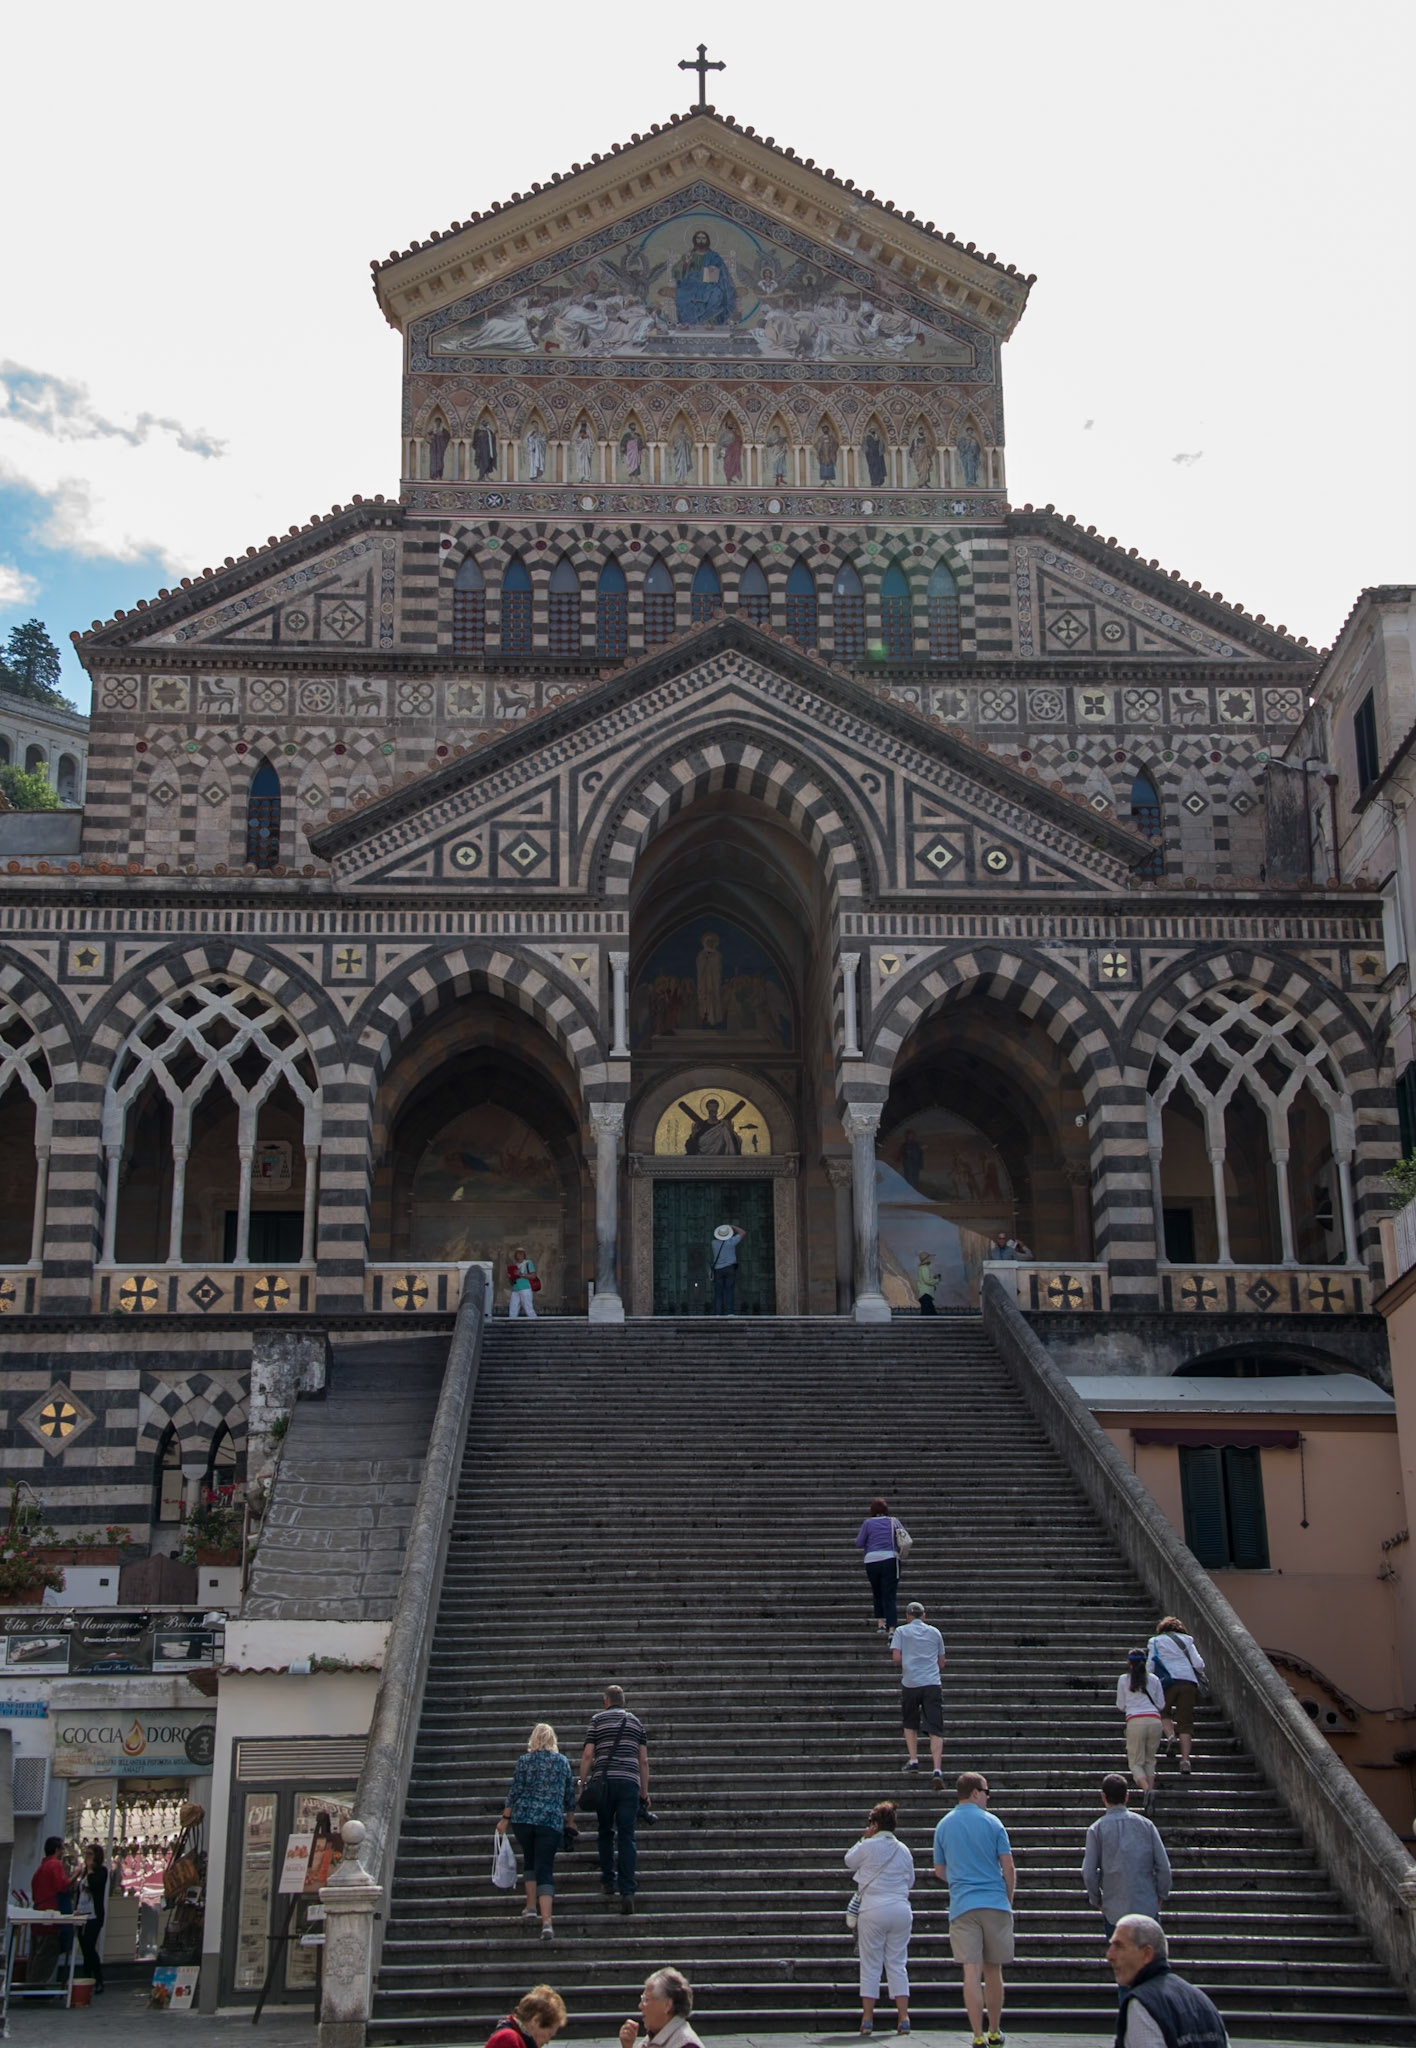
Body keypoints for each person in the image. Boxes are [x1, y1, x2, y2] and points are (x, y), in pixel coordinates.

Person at [932, 1773, 1015, 2048]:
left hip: (963, 1905)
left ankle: (977, 2035)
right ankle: (994, 2031)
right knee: (994, 1971)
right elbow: (1008, 1867)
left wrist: (960, 1879)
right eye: (987, 1792)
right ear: (976, 1793)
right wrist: (1007, 1899)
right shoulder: (993, 1822)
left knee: (971, 1971)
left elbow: (939, 1870)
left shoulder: (944, 1825)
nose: (988, 1797)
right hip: (994, 1901)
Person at [498, 1722, 577, 1941]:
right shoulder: (562, 1762)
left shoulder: (524, 1761)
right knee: (546, 1867)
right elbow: (569, 1795)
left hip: (523, 1820)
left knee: (530, 1859)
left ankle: (531, 1906)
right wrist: (571, 1821)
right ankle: (547, 1922)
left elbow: (515, 1791)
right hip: (550, 1821)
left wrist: (505, 1818)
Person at [845, 1800, 915, 2036]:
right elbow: (910, 1880)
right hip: (900, 1908)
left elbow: (849, 1860)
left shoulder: (868, 1846)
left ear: (875, 1824)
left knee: (871, 1963)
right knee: (897, 1963)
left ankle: (867, 2019)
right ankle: (903, 2017)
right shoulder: (903, 1850)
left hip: (873, 1908)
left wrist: (863, 1838)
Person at [1107, 1914, 1229, 2047]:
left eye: (1119, 1946)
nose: (1109, 1955)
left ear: (1146, 1954)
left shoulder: (1142, 2004)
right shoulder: (1202, 2000)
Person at [579, 1683, 649, 1913]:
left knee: (605, 1831)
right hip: (629, 1783)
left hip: (605, 1783)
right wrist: (644, 1793)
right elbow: (643, 1761)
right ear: (624, 1702)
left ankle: (608, 1880)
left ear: (606, 1701)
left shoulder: (597, 1720)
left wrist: (582, 1782)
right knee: (627, 1836)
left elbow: (588, 1754)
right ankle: (627, 1890)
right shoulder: (636, 1723)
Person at [1082, 1775, 1172, 1935]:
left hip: (1114, 1911)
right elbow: (1164, 1867)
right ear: (1127, 1796)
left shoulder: (1096, 1830)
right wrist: (1161, 1895)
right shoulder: (1146, 1825)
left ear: (1103, 1797)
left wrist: (1097, 1900)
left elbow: (1089, 1873)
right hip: (1146, 1908)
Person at [892, 1600, 946, 1783]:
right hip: (932, 1683)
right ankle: (937, 1769)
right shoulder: (935, 1632)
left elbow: (896, 1658)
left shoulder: (901, 1631)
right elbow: (941, 1663)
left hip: (910, 1683)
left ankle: (914, 1759)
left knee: (910, 1722)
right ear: (924, 1615)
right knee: (935, 1727)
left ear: (908, 1616)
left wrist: (910, 1660)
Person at [1148, 1617, 1206, 1776]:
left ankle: (1171, 1736)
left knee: (1163, 1711)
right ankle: (1185, 1761)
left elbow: (1150, 1666)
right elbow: (1198, 1664)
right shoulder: (1187, 1640)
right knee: (1185, 1723)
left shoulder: (1155, 1641)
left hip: (1167, 1682)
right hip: (1188, 1683)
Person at [1117, 1649, 1168, 1810]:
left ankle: (1147, 1791)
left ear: (1129, 1663)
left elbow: (1120, 1705)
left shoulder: (1124, 1680)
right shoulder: (1154, 1679)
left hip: (1135, 1721)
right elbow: (1161, 1704)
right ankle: (1150, 1793)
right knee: (1150, 1760)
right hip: (1155, 1721)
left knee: (1135, 1762)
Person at [856, 1496, 911, 1632]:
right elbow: (904, 1537)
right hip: (890, 1559)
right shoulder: (893, 1521)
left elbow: (859, 1542)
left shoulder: (867, 1523)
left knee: (877, 1592)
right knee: (890, 1594)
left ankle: (880, 1623)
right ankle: (891, 1628)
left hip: (872, 1560)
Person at [26, 1834, 71, 1989]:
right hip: (51, 1916)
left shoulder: (40, 1869)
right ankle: (36, 1988)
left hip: (38, 1915)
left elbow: (34, 1891)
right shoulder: (55, 1865)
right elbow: (62, 1886)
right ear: (57, 1850)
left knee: (36, 1954)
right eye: (62, 1849)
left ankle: (31, 1986)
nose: (63, 1852)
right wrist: (76, 1875)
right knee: (46, 1955)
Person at [618, 1968, 703, 2048]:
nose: (640, 2006)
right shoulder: (653, 2038)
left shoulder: (686, 2044)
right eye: (642, 1999)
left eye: (646, 1999)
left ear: (667, 2005)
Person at [485, 1983, 568, 2048]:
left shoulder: (518, 2039)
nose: (547, 2042)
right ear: (536, 2021)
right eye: (549, 2034)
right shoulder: (508, 2039)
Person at [75, 1841, 109, 1991]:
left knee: (90, 1946)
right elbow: (80, 1892)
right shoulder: (84, 1873)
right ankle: (86, 1977)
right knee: (84, 1947)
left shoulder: (101, 1871)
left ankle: (98, 1978)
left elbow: (95, 1885)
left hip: (94, 1915)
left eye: (90, 1854)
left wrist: (89, 1870)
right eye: (86, 1854)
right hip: (82, 1913)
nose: (87, 1857)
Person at [709, 1221, 746, 1313]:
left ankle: (718, 1313)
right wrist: (732, 1227)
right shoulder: (731, 1242)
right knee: (729, 1290)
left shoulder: (714, 1243)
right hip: (730, 1269)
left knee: (718, 1292)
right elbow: (743, 1232)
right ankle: (729, 1312)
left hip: (718, 1270)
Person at [507, 1246, 537, 1319]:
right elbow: (512, 1282)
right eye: (518, 1253)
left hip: (525, 1288)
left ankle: (535, 1322)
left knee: (528, 1308)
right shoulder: (515, 1265)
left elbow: (533, 1276)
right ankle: (511, 1324)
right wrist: (510, 1276)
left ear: (524, 1255)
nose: (520, 1255)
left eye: (522, 1253)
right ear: (515, 1255)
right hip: (515, 1289)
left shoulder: (528, 1263)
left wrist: (521, 1274)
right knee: (513, 1309)